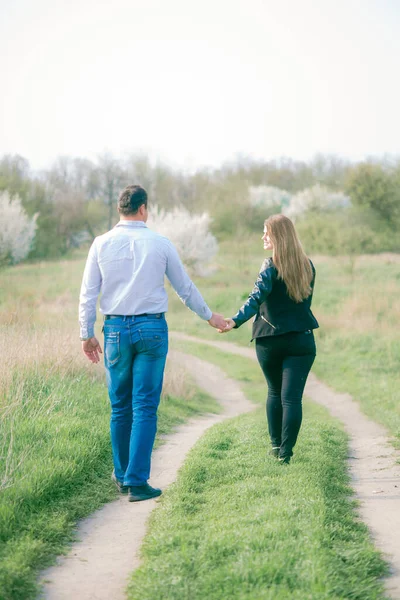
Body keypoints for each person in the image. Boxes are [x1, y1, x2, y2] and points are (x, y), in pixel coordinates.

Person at [79, 185, 227, 501]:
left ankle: (122, 477)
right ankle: (136, 481)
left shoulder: (100, 244)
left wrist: (86, 333)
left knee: (120, 407)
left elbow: (88, 293)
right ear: (143, 209)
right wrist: (210, 317)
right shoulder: (160, 244)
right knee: (145, 405)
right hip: (151, 330)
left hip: (115, 330)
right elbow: (184, 288)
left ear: (120, 210)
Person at [221, 214, 319, 464]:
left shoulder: (269, 266)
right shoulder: (308, 266)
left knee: (275, 392)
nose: (263, 237)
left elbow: (255, 298)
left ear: (278, 237)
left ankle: (276, 448)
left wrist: (234, 321)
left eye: (267, 232)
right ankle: (286, 454)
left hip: (271, 340)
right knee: (292, 398)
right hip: (301, 341)